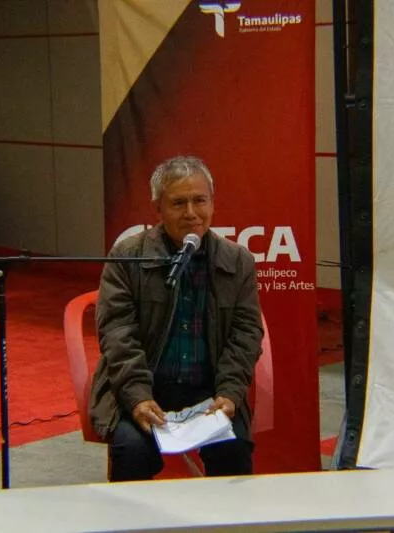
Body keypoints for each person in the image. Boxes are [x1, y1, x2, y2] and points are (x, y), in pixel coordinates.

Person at [89, 155, 264, 482]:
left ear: (213, 204)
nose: (191, 213)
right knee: (131, 450)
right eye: (179, 203)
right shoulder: (128, 256)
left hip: (210, 391)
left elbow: (246, 334)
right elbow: (117, 334)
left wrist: (229, 392)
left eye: (200, 201)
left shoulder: (238, 260)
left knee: (234, 450)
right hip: (144, 388)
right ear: (157, 209)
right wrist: (138, 397)